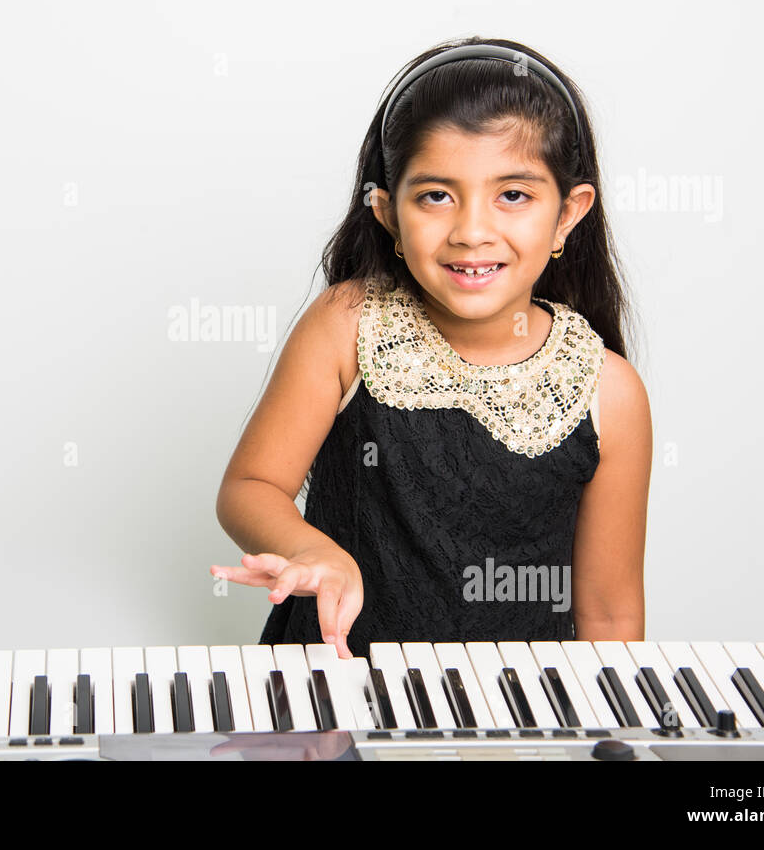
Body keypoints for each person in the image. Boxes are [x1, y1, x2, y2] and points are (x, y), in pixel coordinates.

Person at [210, 36, 652, 660]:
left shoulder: (610, 392)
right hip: (334, 699)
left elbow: (608, 615)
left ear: (567, 215)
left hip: (515, 722)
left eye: (514, 195)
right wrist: (313, 552)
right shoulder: (347, 324)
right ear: (389, 214)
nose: (472, 231)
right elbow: (250, 484)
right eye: (436, 196)